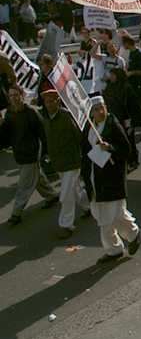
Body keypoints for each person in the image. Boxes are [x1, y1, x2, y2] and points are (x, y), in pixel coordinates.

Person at [81, 96, 141, 264]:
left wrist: (110, 148)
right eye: (95, 109)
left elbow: (126, 150)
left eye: (102, 107)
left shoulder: (113, 125)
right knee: (104, 215)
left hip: (111, 178)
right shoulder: (89, 127)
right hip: (95, 178)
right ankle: (121, 242)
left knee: (111, 216)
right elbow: (85, 152)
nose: (100, 112)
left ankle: (125, 240)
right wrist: (84, 174)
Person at [0, 84, 58, 225]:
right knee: (36, 177)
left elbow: (42, 133)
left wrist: (46, 152)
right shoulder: (9, 114)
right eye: (11, 96)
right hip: (19, 153)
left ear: (22, 96)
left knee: (24, 185)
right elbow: (6, 137)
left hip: (31, 153)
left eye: (16, 95)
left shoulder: (31, 112)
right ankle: (51, 196)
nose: (13, 98)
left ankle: (16, 213)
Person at [40, 89, 90, 238]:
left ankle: (66, 225)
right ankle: (89, 206)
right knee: (75, 189)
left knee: (66, 193)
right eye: (47, 102)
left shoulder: (66, 116)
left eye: (52, 101)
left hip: (71, 160)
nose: (49, 104)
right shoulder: (45, 117)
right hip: (58, 161)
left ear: (58, 101)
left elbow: (79, 136)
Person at [103, 67, 141, 170]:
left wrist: (132, 123)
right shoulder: (109, 87)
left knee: (129, 141)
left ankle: (133, 160)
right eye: (110, 75)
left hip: (125, 119)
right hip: (114, 120)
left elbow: (133, 106)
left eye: (113, 75)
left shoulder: (126, 88)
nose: (111, 77)